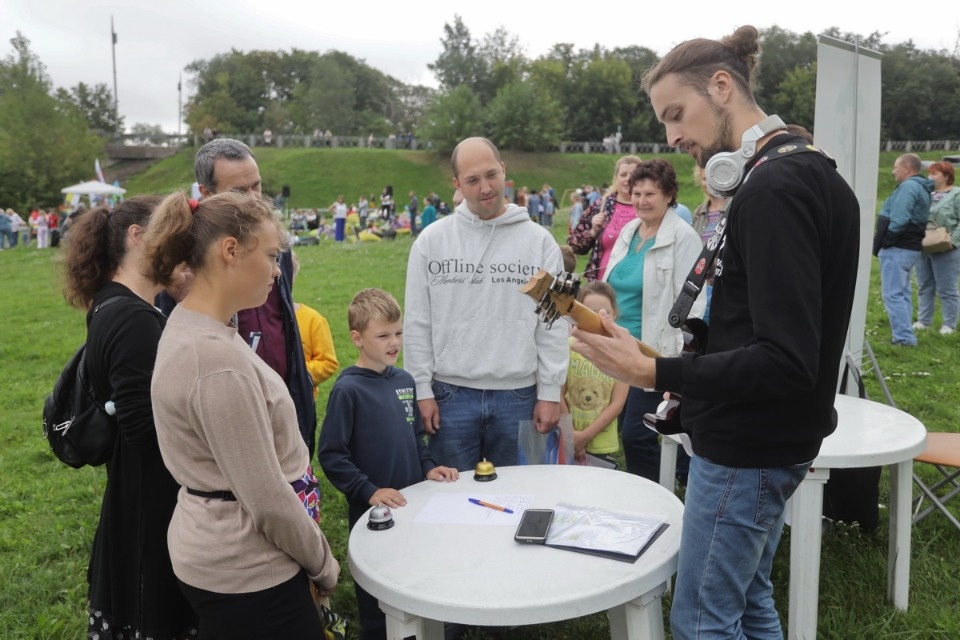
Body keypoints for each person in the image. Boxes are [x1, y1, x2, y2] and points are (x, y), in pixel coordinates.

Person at [571, 25, 860, 639]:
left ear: (722, 86)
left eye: (677, 114)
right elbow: (772, 328)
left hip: (746, 447)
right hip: (773, 440)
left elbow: (785, 358)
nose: (673, 137)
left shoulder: (774, 189)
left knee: (702, 619)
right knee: (750, 602)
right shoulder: (813, 174)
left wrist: (658, 372)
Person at [143, 191, 340, 637]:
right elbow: (266, 499)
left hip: (227, 555)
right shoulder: (215, 363)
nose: (277, 270)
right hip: (250, 569)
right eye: (271, 255)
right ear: (230, 250)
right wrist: (323, 563)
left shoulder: (199, 328)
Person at [62, 196, 198, 639]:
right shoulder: (132, 318)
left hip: (135, 494)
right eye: (173, 237)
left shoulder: (113, 303)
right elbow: (146, 431)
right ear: (138, 236)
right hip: (149, 505)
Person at [403, 136, 568, 471]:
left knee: (523, 499)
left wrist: (550, 392)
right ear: (457, 185)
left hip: (520, 395)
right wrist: (422, 388)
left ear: (504, 170)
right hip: (449, 395)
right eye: (472, 181)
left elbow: (555, 322)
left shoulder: (542, 242)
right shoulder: (430, 242)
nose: (486, 188)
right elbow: (418, 322)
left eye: (491, 175)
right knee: (449, 501)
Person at [318, 288, 459, 639]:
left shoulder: (405, 380)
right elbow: (332, 455)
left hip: (411, 503)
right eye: (383, 335)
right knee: (378, 585)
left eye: (398, 333)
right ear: (357, 338)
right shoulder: (348, 390)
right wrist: (369, 491)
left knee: (414, 571)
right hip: (373, 514)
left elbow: (414, 437)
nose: (394, 342)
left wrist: (427, 466)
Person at [182, 138, 318, 455]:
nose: (254, 199)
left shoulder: (278, 247)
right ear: (206, 193)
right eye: (240, 191)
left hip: (283, 400)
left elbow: (281, 321)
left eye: (256, 186)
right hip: (229, 409)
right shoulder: (188, 261)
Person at [603, 159, 705, 482]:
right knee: (627, 431)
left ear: (669, 195)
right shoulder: (629, 231)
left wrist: (678, 364)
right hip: (618, 347)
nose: (641, 201)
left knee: (637, 434)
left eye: (650, 194)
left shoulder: (683, 237)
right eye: (636, 193)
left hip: (652, 353)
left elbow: (692, 304)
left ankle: (652, 496)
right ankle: (663, 477)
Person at [560, 281, 628, 466]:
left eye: (604, 312)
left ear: (614, 313)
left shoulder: (623, 354)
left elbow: (617, 404)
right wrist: (571, 436)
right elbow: (559, 395)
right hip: (566, 440)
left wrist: (584, 437)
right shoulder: (568, 348)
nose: (598, 318)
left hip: (602, 448)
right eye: (589, 311)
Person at [874, 153, 933, 346]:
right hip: (910, 248)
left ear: (907, 168)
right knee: (903, 293)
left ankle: (903, 339)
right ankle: (906, 333)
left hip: (898, 248)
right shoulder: (921, 187)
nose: (893, 171)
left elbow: (899, 219)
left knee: (893, 294)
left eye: (895, 167)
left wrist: (886, 241)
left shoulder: (908, 187)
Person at [567, 155, 642, 281]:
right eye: (623, 175)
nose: (628, 179)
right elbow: (574, 244)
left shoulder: (648, 208)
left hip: (637, 285)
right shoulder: (602, 205)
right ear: (616, 178)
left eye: (634, 175)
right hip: (602, 286)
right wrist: (592, 232)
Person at [914, 160, 960, 335]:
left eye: (935, 174)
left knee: (947, 288)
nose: (930, 177)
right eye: (929, 173)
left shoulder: (956, 194)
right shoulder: (927, 193)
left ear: (947, 176)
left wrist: (953, 242)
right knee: (924, 284)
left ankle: (949, 324)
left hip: (946, 248)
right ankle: (924, 321)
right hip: (924, 245)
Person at [291, 251, 339, 398]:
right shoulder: (249, 317)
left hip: (300, 401)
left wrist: (297, 373)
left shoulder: (313, 320)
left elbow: (328, 362)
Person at [690, 164, 730, 324]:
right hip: (703, 283)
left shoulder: (733, 206)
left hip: (723, 282)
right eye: (704, 179)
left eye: (711, 178)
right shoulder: (699, 212)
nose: (708, 183)